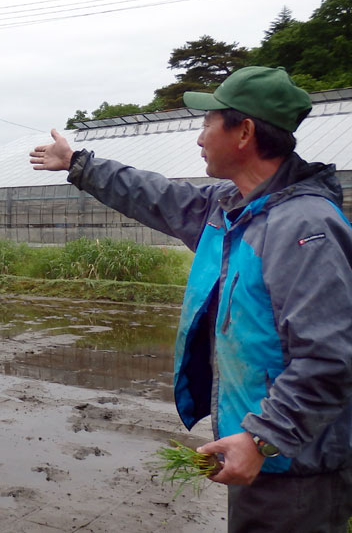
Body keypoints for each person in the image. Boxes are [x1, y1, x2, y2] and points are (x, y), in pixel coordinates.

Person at [29, 66, 352, 531]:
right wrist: (80, 164)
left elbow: (330, 359)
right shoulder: (229, 207)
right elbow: (157, 196)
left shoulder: (305, 228)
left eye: (207, 123)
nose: (199, 138)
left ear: (243, 132)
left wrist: (262, 439)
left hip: (296, 470)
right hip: (257, 453)